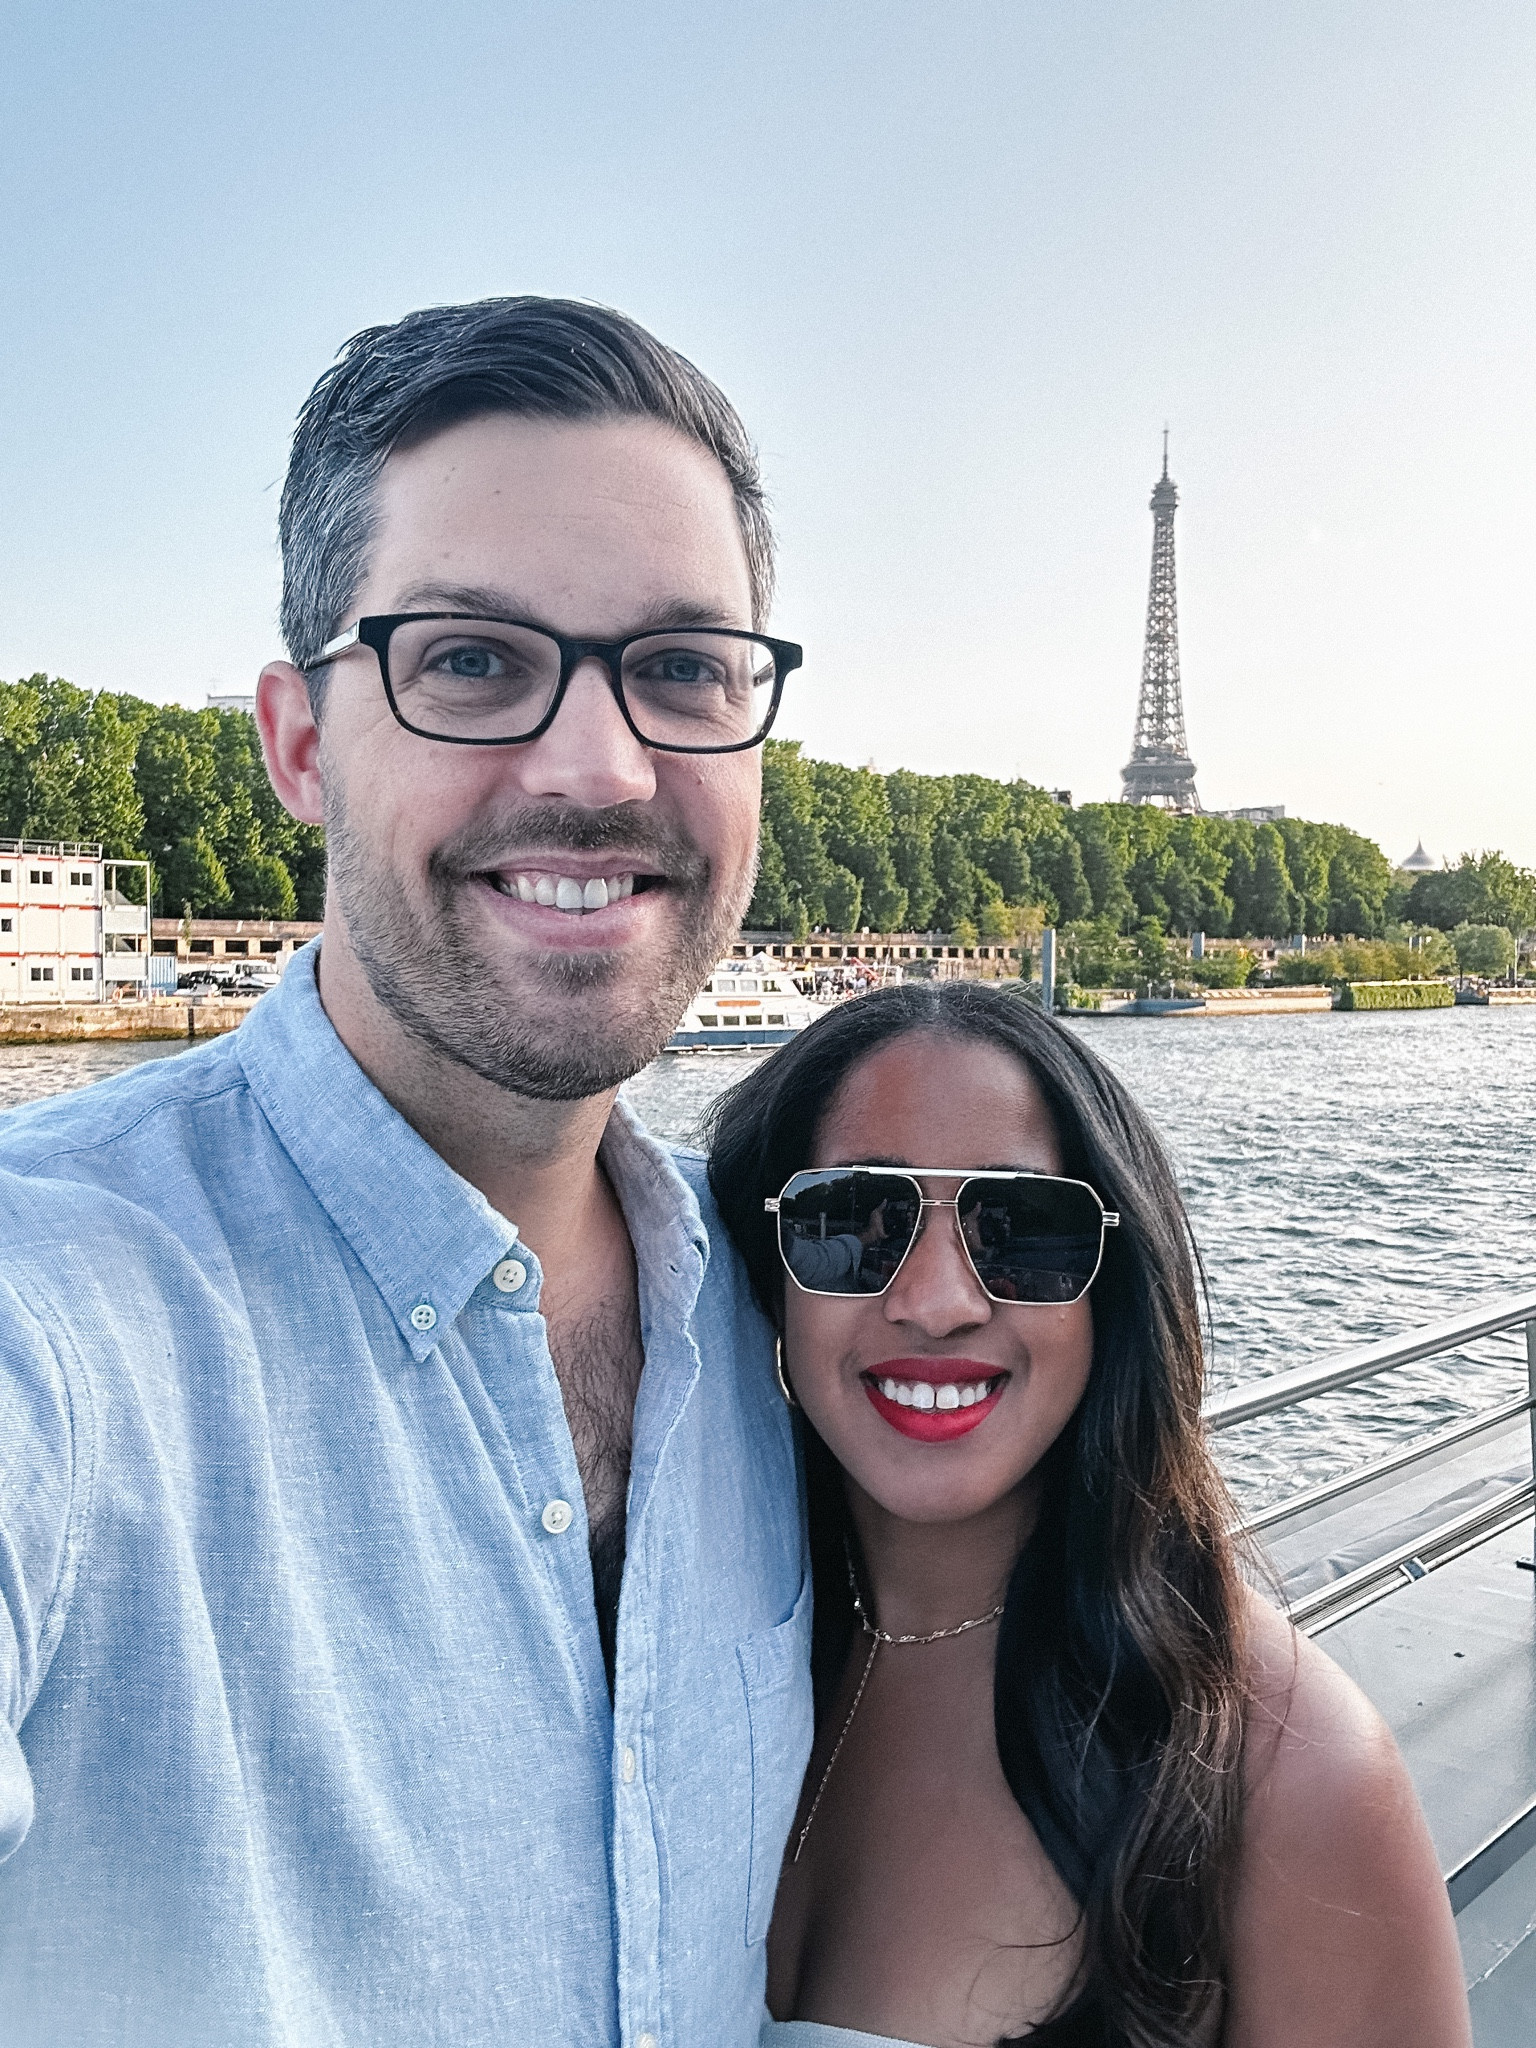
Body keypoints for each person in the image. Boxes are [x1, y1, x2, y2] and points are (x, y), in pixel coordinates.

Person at [0, 297, 812, 2047]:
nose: (599, 766)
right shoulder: (44, 1315)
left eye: (681, 664)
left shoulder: (787, 1316)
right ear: (299, 741)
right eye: (468, 659)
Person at [706, 981, 1472, 2048]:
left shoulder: (1285, 1770)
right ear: (764, 1266)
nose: (937, 1299)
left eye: (1021, 1228)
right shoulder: (691, 1664)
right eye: (854, 1222)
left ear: (1114, 1284)